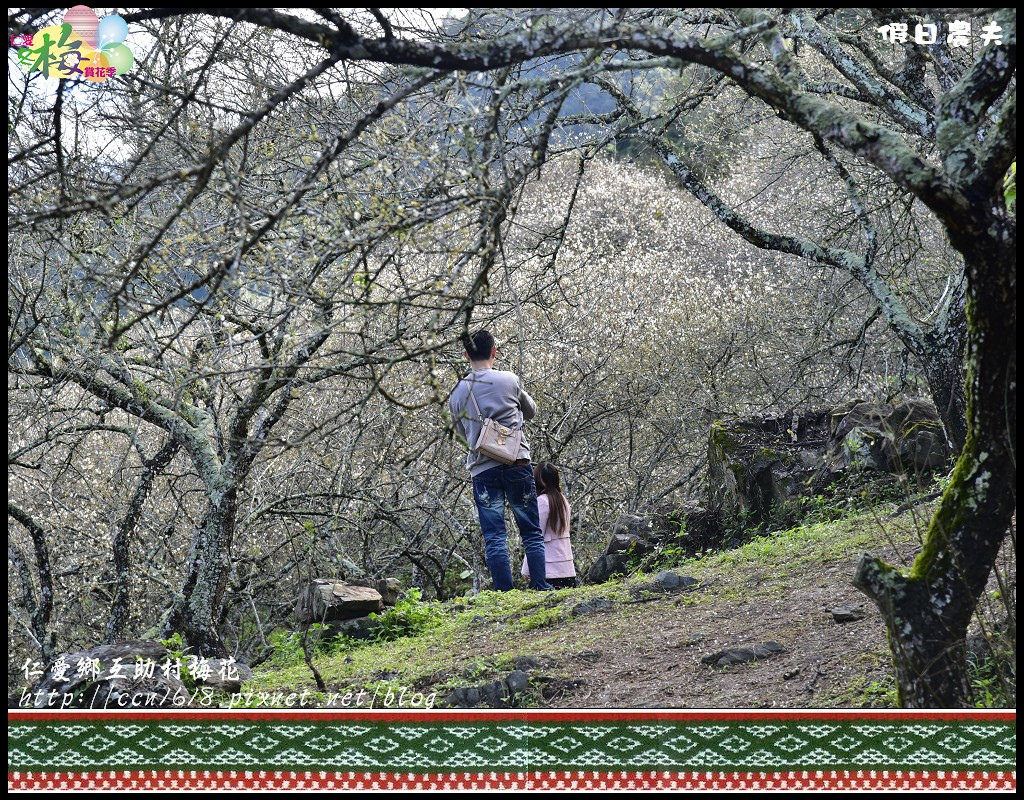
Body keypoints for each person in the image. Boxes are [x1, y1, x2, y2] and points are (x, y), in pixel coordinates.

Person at [449, 330, 554, 591]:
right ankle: (540, 586)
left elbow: (461, 434)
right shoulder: (509, 380)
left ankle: (504, 593)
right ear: (494, 351)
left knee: (495, 535)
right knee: (530, 529)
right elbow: (530, 411)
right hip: (516, 461)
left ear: (465, 355)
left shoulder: (457, 392)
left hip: (483, 469)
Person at [522, 462, 577, 589]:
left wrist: (526, 569)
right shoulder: (563, 501)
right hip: (567, 567)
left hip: (547, 570)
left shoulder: (542, 501)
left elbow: (536, 537)